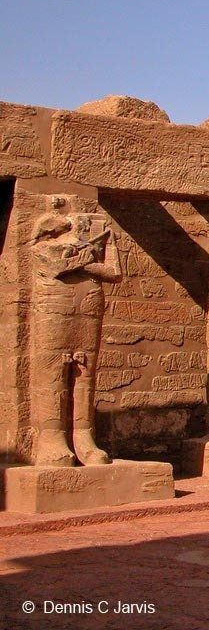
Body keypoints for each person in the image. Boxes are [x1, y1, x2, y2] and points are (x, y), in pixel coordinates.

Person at [30, 199, 122, 465]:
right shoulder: (42, 248)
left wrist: (97, 253)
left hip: (89, 303)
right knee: (53, 368)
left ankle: (83, 436)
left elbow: (114, 273)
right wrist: (83, 258)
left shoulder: (92, 242)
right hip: (54, 302)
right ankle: (51, 437)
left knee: (85, 369)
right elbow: (54, 268)